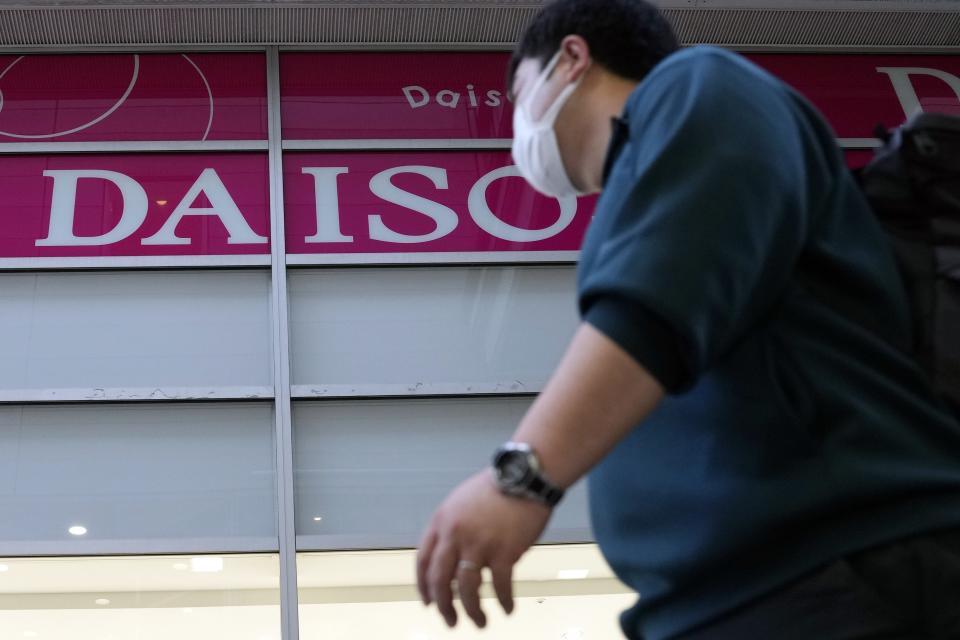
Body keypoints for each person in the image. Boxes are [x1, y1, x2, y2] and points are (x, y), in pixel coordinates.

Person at [415, 1, 960, 638]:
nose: (515, 126)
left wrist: (521, 477)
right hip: (734, 595)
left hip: (834, 569)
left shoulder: (699, 83)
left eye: (516, 93)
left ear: (571, 59)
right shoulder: (642, 186)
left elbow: (660, 302)